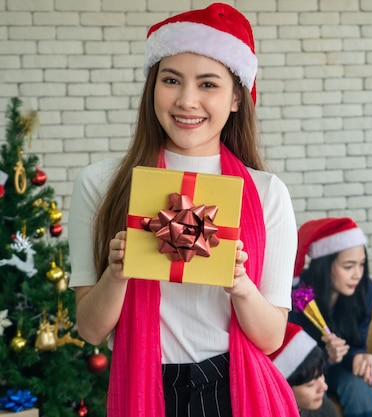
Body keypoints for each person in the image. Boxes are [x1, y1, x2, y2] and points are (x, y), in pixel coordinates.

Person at [68, 4, 299, 417]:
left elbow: (270, 338)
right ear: (152, 88)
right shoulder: (100, 184)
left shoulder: (267, 193)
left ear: (235, 99)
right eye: (171, 80)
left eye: (208, 84)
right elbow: (90, 329)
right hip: (146, 388)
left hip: (235, 389)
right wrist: (117, 273)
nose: (187, 100)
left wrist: (241, 284)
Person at [290, 217, 372, 417]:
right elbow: (290, 362)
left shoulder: (365, 289)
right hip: (305, 376)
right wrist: (326, 356)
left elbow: (357, 343)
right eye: (348, 267)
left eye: (361, 264)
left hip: (340, 370)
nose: (357, 274)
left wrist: (359, 356)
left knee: (359, 386)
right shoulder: (297, 293)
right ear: (324, 266)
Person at [271, 322, 340, 417]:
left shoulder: (325, 410)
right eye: (310, 384)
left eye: (321, 375)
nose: (324, 387)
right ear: (284, 390)